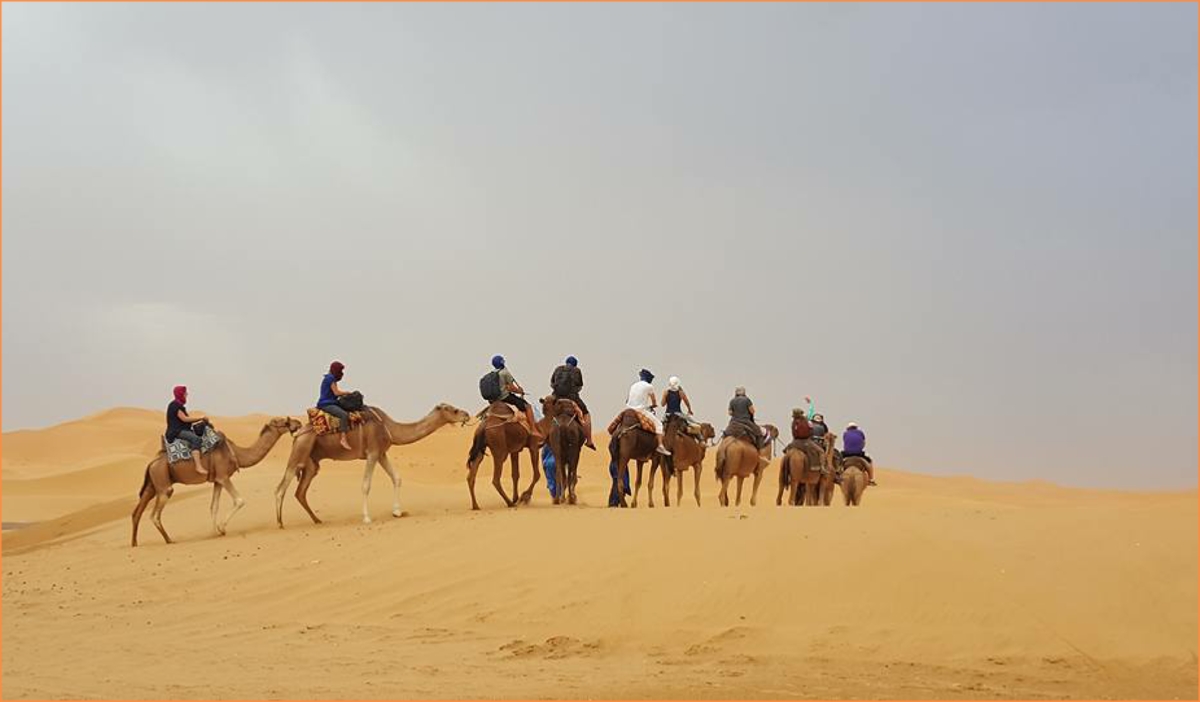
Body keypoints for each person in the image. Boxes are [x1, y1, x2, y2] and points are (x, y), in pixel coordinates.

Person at [493, 355, 543, 441]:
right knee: (528, 406)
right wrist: (520, 391)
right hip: (505, 397)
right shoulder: (505, 372)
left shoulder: (493, 374)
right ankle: (533, 429)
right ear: (502, 362)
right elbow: (511, 387)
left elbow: (504, 387)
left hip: (495, 399)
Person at [550, 355, 595, 450]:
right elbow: (580, 386)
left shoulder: (558, 369)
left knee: (548, 411)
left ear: (566, 363)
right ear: (575, 365)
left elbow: (552, 383)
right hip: (572, 397)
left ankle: (542, 435)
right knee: (586, 414)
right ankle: (589, 440)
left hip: (556, 397)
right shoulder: (577, 370)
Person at [165, 385, 210, 476]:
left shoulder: (179, 405)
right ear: (180, 394)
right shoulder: (175, 405)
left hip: (182, 429)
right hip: (176, 432)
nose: (187, 394)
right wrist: (200, 418)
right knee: (196, 439)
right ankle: (198, 466)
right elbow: (184, 419)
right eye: (185, 393)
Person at [626, 369, 671, 455]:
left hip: (628, 409)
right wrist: (654, 405)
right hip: (640, 410)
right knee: (659, 425)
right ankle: (660, 446)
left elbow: (627, 399)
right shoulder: (649, 387)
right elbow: (653, 400)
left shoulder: (633, 385)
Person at [317, 361, 355, 451]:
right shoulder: (330, 378)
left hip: (331, 402)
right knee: (344, 415)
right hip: (326, 404)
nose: (341, 373)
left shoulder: (329, 377)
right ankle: (343, 439)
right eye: (340, 370)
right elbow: (336, 392)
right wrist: (347, 393)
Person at [842, 421, 876, 485]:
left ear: (848, 428)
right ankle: (871, 478)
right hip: (859, 453)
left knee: (838, 462)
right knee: (869, 461)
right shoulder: (860, 433)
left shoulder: (845, 433)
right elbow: (863, 443)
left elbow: (845, 443)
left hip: (847, 453)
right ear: (856, 427)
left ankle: (837, 476)